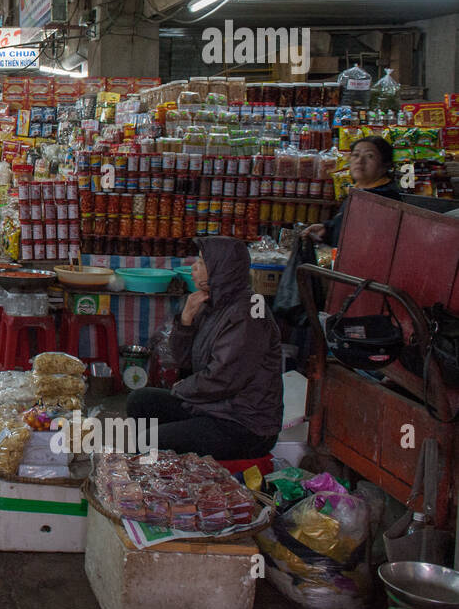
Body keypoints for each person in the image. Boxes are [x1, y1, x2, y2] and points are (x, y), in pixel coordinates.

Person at [125, 236, 283, 459]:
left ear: (222, 269)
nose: (194, 268)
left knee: (151, 440)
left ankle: (148, 480)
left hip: (244, 424)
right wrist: (186, 319)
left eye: (201, 262)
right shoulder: (214, 301)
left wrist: (182, 389)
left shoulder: (250, 312)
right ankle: (154, 470)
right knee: (140, 401)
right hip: (213, 406)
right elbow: (184, 361)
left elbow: (224, 378)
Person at [303, 135, 401, 247]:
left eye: (370, 156)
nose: (360, 161)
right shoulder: (361, 191)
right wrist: (328, 229)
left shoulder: (383, 199)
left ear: (385, 165)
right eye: (356, 155)